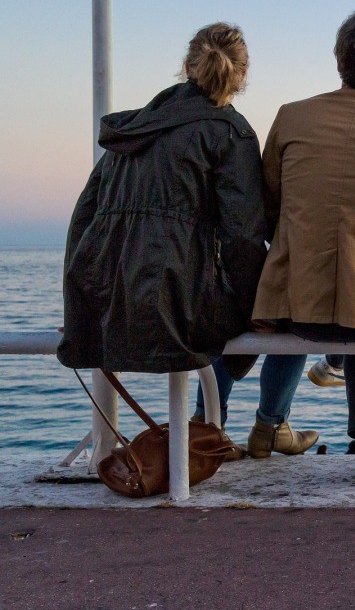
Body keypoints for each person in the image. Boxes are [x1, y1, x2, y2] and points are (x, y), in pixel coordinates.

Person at [211, 9, 355, 479]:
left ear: (339, 58)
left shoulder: (291, 117)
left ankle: (230, 426)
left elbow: (269, 210)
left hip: (292, 306)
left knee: (330, 297)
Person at [58, 24, 267, 439]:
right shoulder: (230, 132)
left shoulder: (135, 129)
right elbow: (242, 238)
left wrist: (77, 306)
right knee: (282, 315)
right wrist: (257, 312)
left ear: (186, 66)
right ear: (242, 76)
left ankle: (210, 427)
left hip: (106, 298)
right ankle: (249, 426)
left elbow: (83, 219)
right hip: (176, 305)